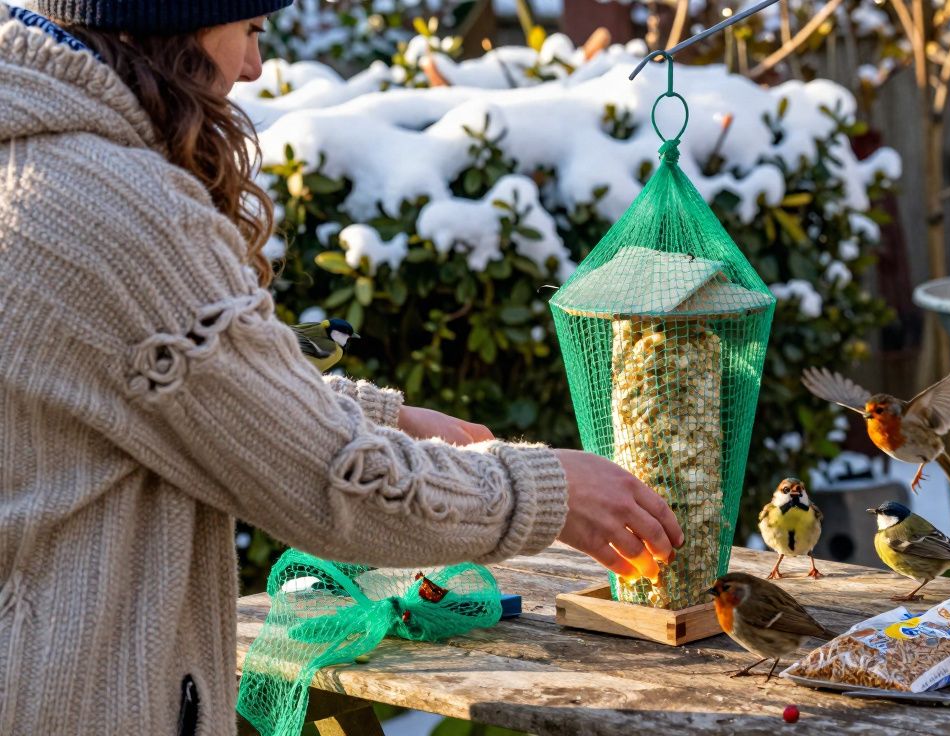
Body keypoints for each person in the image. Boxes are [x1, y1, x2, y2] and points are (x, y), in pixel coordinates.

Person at [0, 3, 683, 734]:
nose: (255, 68)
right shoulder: (115, 206)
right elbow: (327, 481)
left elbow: (160, 384)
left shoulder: (28, 163)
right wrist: (546, 489)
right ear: (178, 24)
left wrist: (378, 415)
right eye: (251, 31)